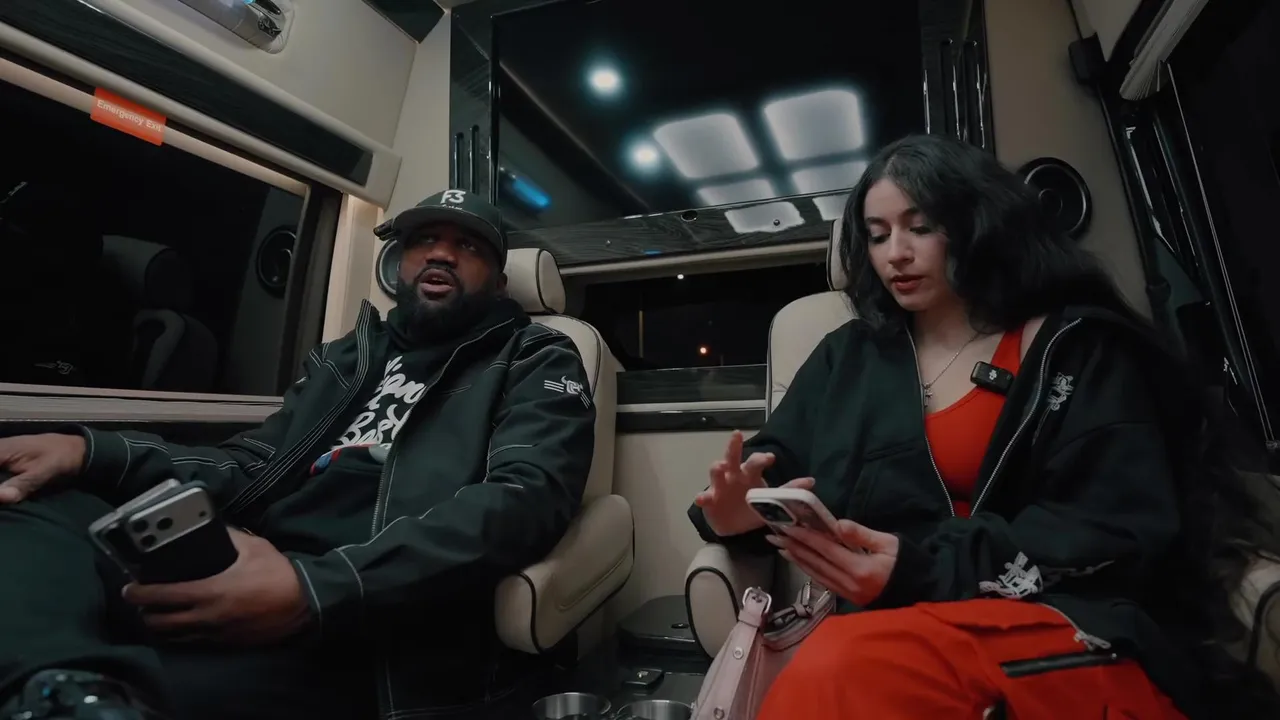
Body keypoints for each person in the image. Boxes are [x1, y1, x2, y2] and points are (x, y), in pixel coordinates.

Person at [688, 135, 1280, 719]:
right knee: (841, 663)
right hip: (887, 627)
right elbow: (773, 469)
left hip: (1054, 618)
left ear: (978, 224)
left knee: (840, 667)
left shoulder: (1076, 348)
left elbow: (1110, 525)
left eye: (920, 228)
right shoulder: (847, 356)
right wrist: (734, 513)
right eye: (877, 235)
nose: (896, 253)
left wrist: (919, 572)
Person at [0, 189, 597, 720]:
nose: (441, 253)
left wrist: (315, 588)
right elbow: (250, 465)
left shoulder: (534, 355)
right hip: (249, 556)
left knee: (164, 686)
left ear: (499, 281)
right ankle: (59, 686)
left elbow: (523, 499)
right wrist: (93, 451)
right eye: (424, 240)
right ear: (399, 262)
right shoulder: (346, 357)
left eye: (467, 245)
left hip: (366, 614)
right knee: (40, 504)